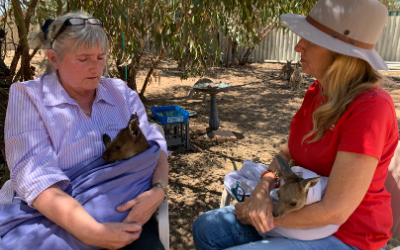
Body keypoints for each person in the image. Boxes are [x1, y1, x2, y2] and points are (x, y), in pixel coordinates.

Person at [192, 0, 398, 250]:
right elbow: (287, 151)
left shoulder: (370, 107)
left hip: (347, 235)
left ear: (342, 54)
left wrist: (264, 215)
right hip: (298, 212)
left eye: (310, 40)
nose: (297, 46)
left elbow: (335, 212)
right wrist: (262, 188)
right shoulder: (318, 91)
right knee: (206, 227)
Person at [0, 12, 168, 250]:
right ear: (53, 58)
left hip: (123, 210)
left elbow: (154, 145)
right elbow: (37, 179)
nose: (96, 67)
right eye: (83, 58)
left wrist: (158, 191)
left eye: (101, 57)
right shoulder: (29, 98)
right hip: (54, 218)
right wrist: (93, 233)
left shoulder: (120, 93)